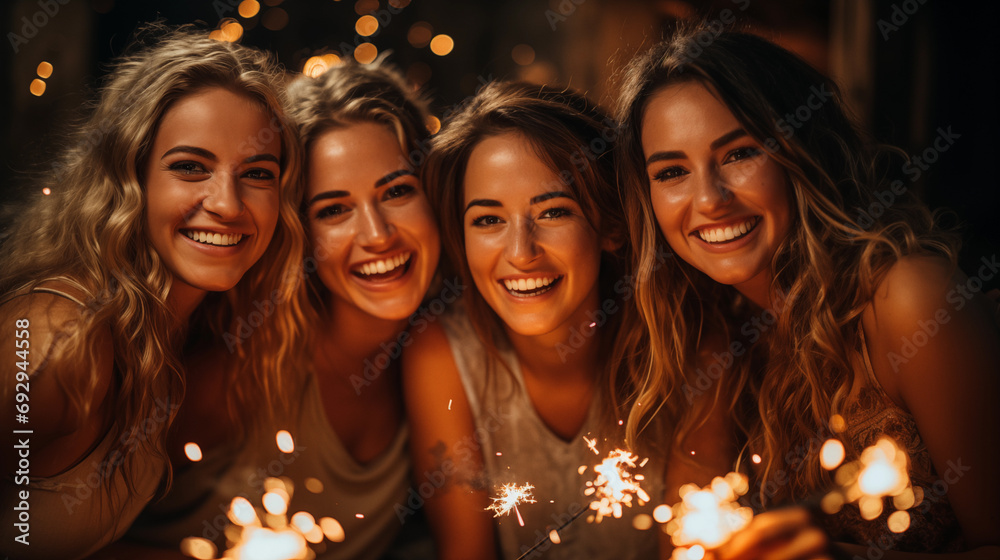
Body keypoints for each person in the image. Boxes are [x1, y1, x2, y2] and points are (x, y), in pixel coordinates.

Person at [614, 24, 1000, 558]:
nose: (709, 199)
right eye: (672, 171)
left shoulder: (909, 299)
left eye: (739, 153)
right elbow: (683, 544)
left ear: (803, 150)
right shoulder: (714, 335)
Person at [0, 26, 306, 560]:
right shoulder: (58, 341)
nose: (228, 204)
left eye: (257, 173)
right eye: (190, 167)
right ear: (130, 176)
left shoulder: (173, 332)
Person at [123, 57, 440, 560]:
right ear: (298, 233)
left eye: (397, 191)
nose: (377, 236)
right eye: (333, 209)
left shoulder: (443, 361)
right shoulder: (235, 374)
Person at [406, 81, 661, 560]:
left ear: (609, 224)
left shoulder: (679, 341)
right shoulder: (442, 353)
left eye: (553, 211)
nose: (521, 252)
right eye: (488, 220)